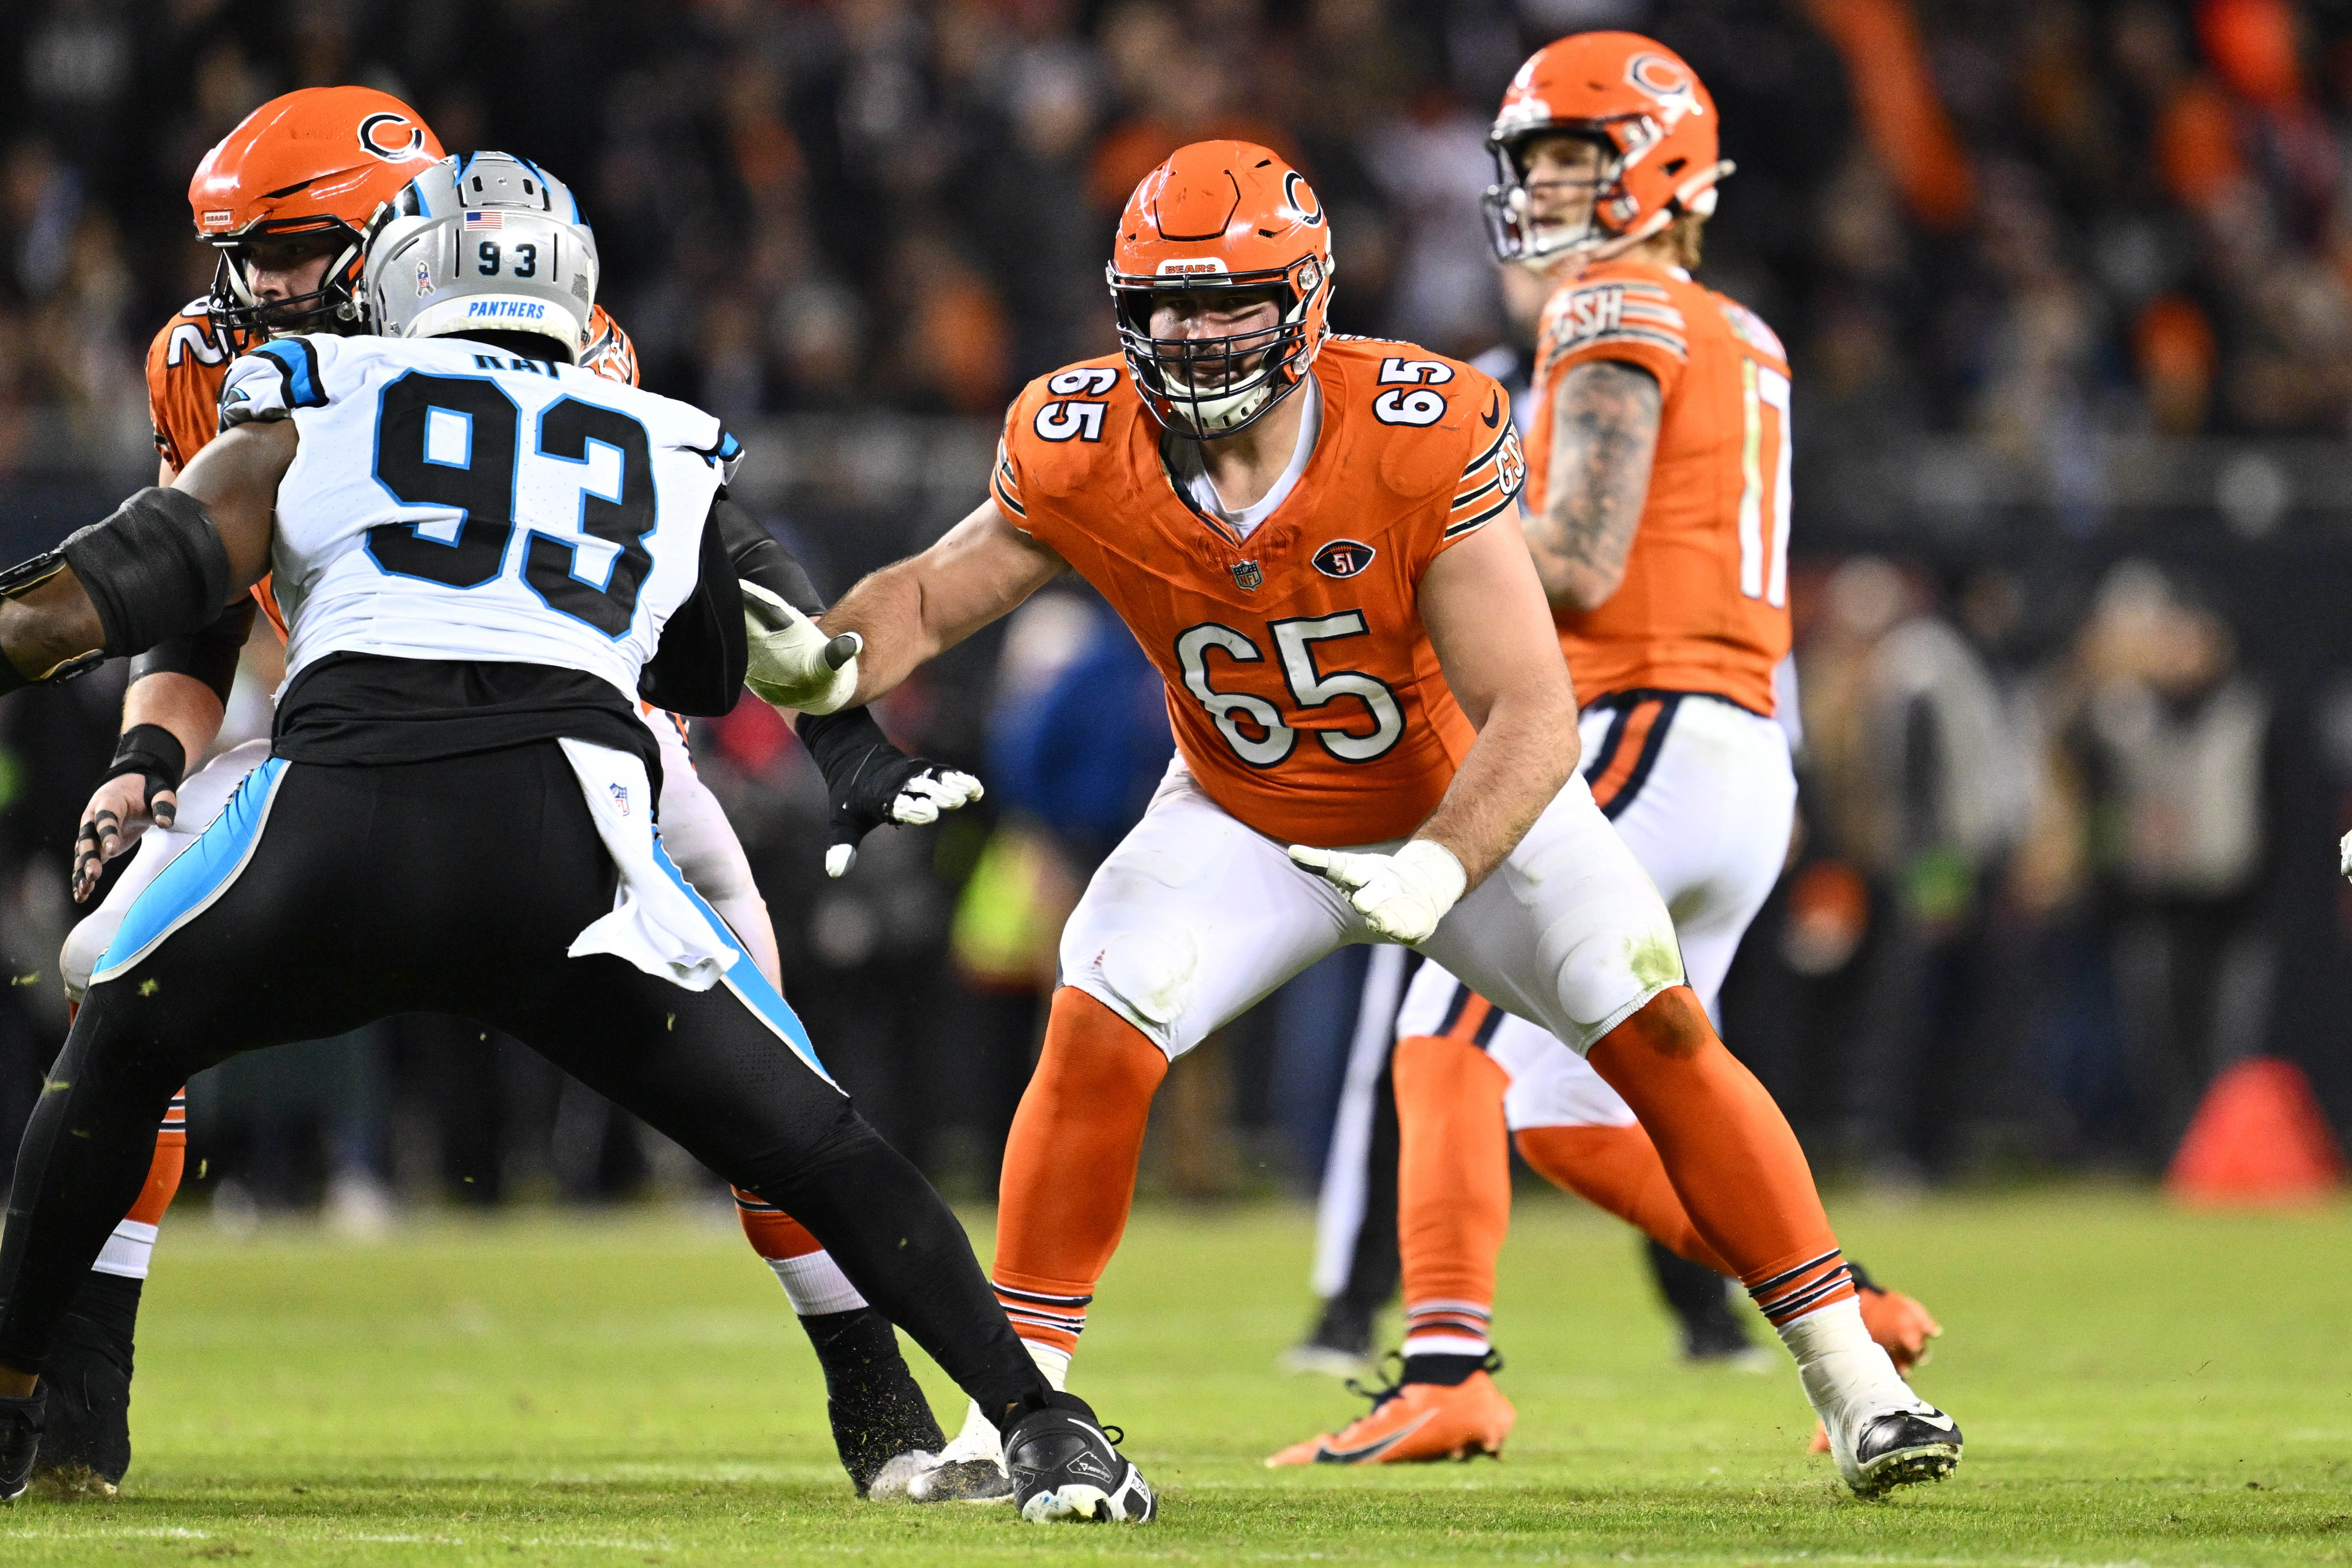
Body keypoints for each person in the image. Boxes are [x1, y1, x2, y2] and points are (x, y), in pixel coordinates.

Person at [776, 140, 1960, 1502]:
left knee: (1659, 1029)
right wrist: (830, 657)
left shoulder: (1416, 425)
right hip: (1239, 810)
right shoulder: (1080, 432)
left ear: (1308, 300)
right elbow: (929, 594)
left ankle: (1860, 1385)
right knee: (1096, 1019)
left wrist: (1440, 863)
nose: (1194, 333)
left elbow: (1532, 711)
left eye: (1231, 303)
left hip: (1460, 807)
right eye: (1164, 304)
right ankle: (1011, 1412)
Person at [0, 150, 1154, 1526]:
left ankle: (15, 1397)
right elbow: (731, 667)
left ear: (392, 279)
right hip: (574, 853)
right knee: (817, 1134)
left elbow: (105, 596)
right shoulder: (662, 436)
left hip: (340, 820)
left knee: (115, 1022)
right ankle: (1045, 1424)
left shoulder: (312, 392)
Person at [1272, 32, 1942, 1471]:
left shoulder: (1611, 302)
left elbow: (1575, 560)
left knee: (1444, 1035)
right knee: (1586, 1115)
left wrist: (1395, 543)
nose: (1552, 190)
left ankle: (1446, 1367)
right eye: (1537, 165)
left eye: (1580, 158)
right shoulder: (1740, 327)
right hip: (1740, 756)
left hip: (1643, 721)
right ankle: (1856, 1311)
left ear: (1670, 168)